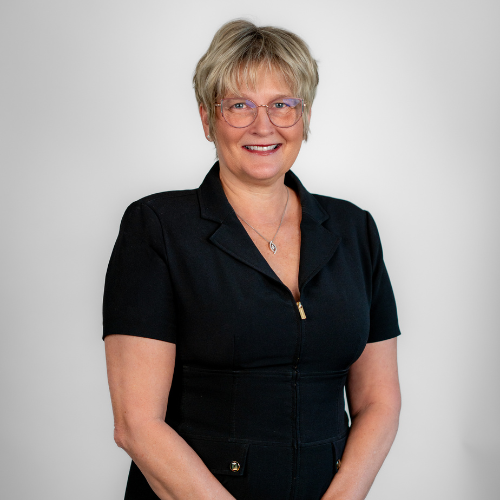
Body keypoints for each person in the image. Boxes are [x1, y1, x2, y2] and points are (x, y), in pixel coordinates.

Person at [103, 19, 401, 500]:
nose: (264, 126)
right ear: (207, 119)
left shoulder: (354, 229)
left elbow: (378, 401)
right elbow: (136, 425)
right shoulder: (157, 227)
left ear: (304, 116)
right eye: (239, 105)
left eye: (282, 105)